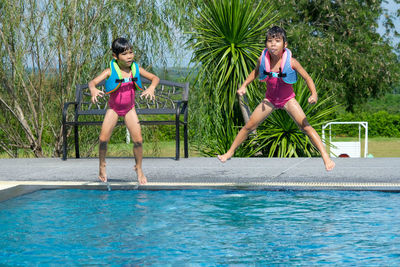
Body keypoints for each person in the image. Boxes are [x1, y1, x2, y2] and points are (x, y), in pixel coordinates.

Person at [217, 26, 335, 171]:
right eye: (270, 41)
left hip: (288, 100)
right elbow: (255, 73)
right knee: (249, 126)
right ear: (266, 44)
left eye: (277, 41)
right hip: (270, 100)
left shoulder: (292, 62)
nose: (273, 44)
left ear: (285, 45)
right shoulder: (262, 59)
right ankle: (230, 152)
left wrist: (314, 94)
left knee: (306, 127)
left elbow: (307, 78)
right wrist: (244, 85)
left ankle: (325, 157)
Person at [89, 37, 160, 184]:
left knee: (138, 141)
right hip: (113, 109)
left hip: (129, 109)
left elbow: (155, 78)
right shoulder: (110, 71)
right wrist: (93, 90)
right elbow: (92, 82)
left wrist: (152, 88)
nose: (129, 56)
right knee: (103, 140)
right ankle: (102, 165)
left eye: (131, 52)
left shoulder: (136, 69)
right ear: (115, 56)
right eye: (125, 54)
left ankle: (139, 169)